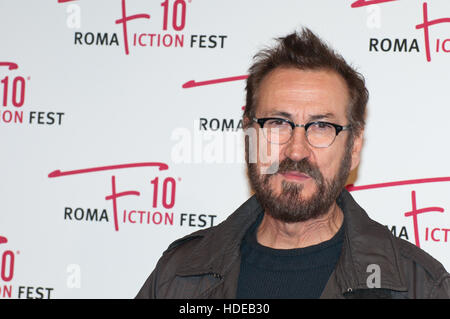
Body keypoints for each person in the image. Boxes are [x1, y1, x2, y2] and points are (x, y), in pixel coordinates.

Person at [136, 27, 450, 299]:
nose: (296, 151)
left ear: (354, 146)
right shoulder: (179, 275)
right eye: (277, 123)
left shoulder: (418, 286)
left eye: (321, 127)